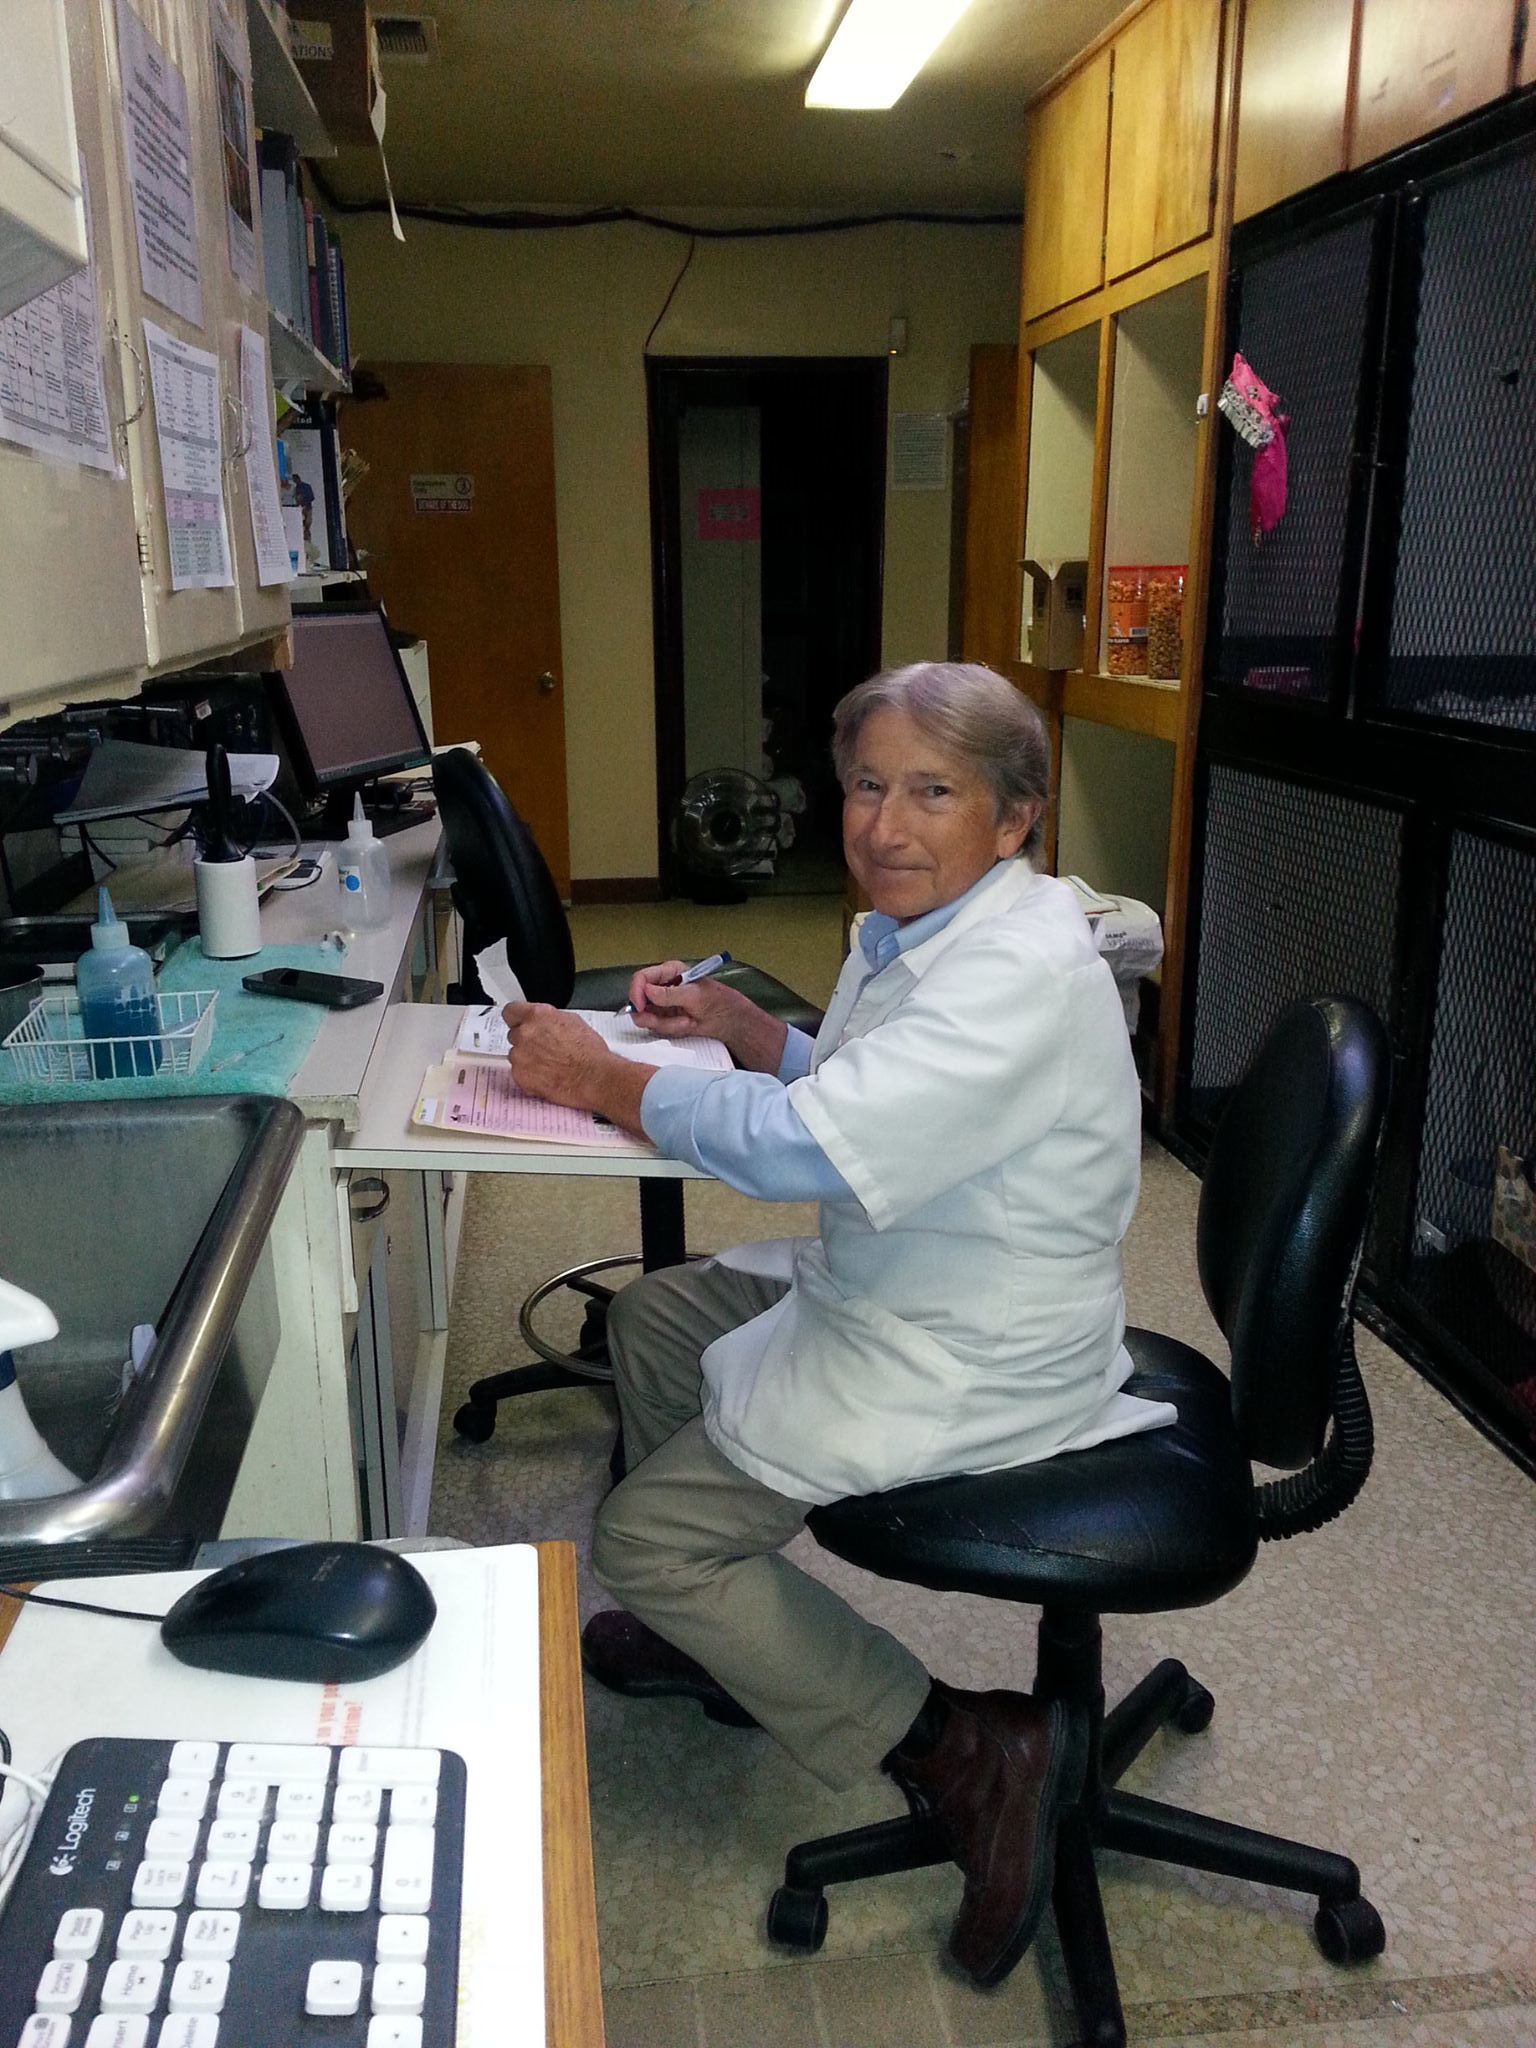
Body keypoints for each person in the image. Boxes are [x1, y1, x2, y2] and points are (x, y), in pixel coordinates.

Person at [501, 660, 1174, 1988]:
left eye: (934, 791)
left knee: (647, 1540)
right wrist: (758, 1032)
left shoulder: (1016, 974)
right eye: (869, 785)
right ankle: (717, 1627)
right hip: (920, 1266)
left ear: (1017, 815)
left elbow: (821, 1147)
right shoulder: (943, 932)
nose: (885, 826)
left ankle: (965, 1747)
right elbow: (882, 1093)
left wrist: (616, 1082)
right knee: (654, 1324)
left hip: (971, 1339)